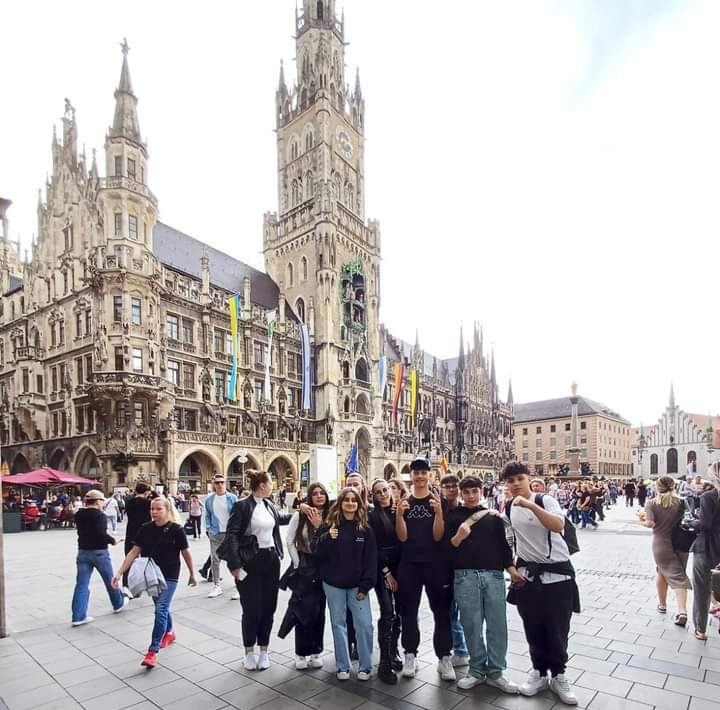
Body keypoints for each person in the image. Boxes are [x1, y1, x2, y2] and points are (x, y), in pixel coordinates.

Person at [502, 462, 580, 706]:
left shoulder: (545, 500)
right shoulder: (507, 507)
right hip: (528, 577)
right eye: (510, 480)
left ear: (528, 479)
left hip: (558, 576)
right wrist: (511, 568)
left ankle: (559, 675)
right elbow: (508, 540)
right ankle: (538, 671)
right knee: (533, 626)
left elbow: (558, 526)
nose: (515, 484)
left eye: (519, 479)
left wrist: (530, 504)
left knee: (557, 628)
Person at [447, 476, 522, 693]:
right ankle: (476, 670)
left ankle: (496, 672)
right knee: (471, 625)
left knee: (497, 625)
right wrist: (458, 537)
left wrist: (511, 569)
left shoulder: (494, 517)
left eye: (474, 491)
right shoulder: (453, 517)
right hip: (465, 576)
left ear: (481, 492)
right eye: (467, 492)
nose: (471, 496)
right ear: (461, 493)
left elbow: (504, 547)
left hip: (493, 575)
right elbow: (446, 549)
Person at [113, 497, 197, 667]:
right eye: (152, 509)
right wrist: (120, 572)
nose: (154, 512)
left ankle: (152, 651)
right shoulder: (145, 529)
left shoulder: (176, 530)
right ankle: (170, 632)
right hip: (151, 575)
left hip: (170, 574)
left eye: (158, 509)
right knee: (162, 607)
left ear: (167, 510)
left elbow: (186, 553)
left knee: (161, 609)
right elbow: (133, 552)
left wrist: (192, 573)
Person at [223, 471, 293, 671]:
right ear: (262, 485)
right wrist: (235, 565)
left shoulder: (268, 504)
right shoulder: (242, 505)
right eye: (271, 483)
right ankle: (249, 652)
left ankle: (264, 651)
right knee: (252, 609)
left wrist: (301, 512)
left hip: (271, 560)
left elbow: (280, 519)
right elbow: (232, 534)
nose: (273, 486)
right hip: (250, 561)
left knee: (268, 608)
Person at [395, 457, 455, 681]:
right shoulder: (405, 501)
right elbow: (402, 537)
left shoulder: (439, 501)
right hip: (409, 564)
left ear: (430, 474)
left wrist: (439, 512)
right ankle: (410, 654)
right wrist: (399, 515)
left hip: (435, 565)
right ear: (411, 476)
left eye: (423, 472)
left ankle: (444, 657)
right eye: (416, 472)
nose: (419, 476)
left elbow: (438, 535)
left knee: (441, 612)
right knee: (408, 612)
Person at [312, 487, 377, 681]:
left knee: (364, 625)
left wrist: (365, 586)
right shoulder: (330, 526)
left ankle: (365, 666)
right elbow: (317, 552)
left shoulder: (364, 529)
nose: (350, 503)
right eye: (346, 499)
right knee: (338, 625)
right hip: (334, 585)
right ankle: (343, 665)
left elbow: (371, 559)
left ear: (358, 504)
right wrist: (327, 538)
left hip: (358, 586)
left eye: (354, 500)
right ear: (340, 503)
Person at [284, 482, 331, 670]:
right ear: (309, 496)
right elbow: (289, 540)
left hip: (324, 568)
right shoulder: (300, 515)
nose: (319, 496)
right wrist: (297, 563)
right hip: (305, 567)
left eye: (322, 493)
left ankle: (316, 650)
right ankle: (301, 652)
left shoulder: (331, 514)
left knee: (319, 612)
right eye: (315, 493)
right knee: (303, 612)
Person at [70, 489, 127, 626]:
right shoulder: (99, 515)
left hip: (83, 552)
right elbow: (100, 534)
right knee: (110, 580)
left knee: (82, 584)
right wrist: (113, 540)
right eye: (102, 500)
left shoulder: (79, 514)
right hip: (99, 553)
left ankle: (78, 616)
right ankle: (118, 603)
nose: (103, 503)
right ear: (97, 501)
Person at [640, 476, 691, 625]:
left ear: (657, 487)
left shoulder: (652, 503)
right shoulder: (681, 502)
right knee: (671, 572)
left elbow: (650, 523)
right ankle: (665, 605)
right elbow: (688, 518)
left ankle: (678, 610)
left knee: (674, 575)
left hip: (661, 543)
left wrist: (641, 521)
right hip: (681, 542)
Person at [368, 479, 403, 684]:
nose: (382, 494)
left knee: (399, 612)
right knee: (388, 612)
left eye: (385, 490)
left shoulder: (398, 511)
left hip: (402, 567)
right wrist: (387, 573)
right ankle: (384, 662)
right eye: (377, 492)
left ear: (391, 490)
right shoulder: (372, 516)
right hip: (383, 568)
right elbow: (374, 547)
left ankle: (394, 650)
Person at [440, 474, 469, 669]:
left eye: (454, 486)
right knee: (448, 611)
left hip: (461, 566)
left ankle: (461, 651)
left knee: (461, 612)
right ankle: (458, 650)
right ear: (441, 488)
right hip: (441, 567)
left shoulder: (466, 510)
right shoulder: (437, 508)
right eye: (447, 486)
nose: (451, 489)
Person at [690, 462, 720, 641]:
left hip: (707, 547)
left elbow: (705, 524)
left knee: (701, 588)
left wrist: (691, 523)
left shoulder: (709, 496)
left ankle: (700, 629)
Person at [204, 474, 239, 599]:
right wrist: (208, 528)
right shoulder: (209, 499)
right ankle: (216, 585)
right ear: (214, 484)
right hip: (215, 533)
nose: (219, 485)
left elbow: (237, 514)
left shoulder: (232, 498)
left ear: (226, 484)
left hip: (230, 533)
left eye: (222, 482)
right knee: (215, 559)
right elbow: (207, 515)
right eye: (217, 482)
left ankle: (238, 586)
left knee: (234, 559)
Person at [122, 482, 152, 595]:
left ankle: (126, 585)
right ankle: (143, 585)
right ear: (146, 491)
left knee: (129, 559)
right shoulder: (148, 503)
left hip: (131, 533)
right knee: (145, 560)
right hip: (145, 533)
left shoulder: (129, 502)